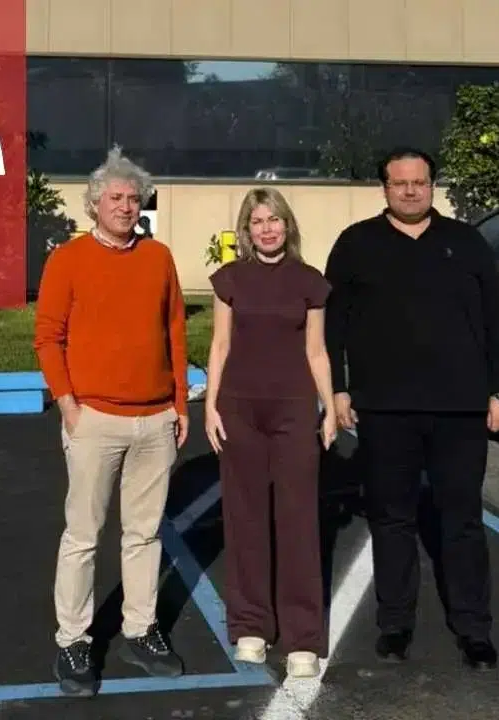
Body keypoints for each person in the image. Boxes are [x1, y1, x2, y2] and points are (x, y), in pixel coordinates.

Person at [322, 147, 499, 670]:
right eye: (400, 182)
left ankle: (474, 628)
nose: (410, 191)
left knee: (462, 520)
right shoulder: (356, 243)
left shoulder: (466, 242)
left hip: (460, 409)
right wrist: (338, 390)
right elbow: (332, 324)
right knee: (392, 519)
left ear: (433, 186)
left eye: (420, 182)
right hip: (385, 409)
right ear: (384, 188)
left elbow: (497, 321)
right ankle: (395, 624)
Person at [33, 146, 191, 698]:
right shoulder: (68, 259)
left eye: (133, 198)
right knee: (83, 535)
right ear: (95, 203)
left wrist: (180, 405)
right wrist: (68, 404)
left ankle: (140, 629)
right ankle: (73, 640)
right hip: (94, 418)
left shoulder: (158, 257)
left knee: (144, 534)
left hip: (156, 419)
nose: (126, 206)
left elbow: (175, 331)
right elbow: (48, 337)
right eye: (116, 197)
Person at [204, 187, 338, 679]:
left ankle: (303, 636)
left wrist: (328, 408)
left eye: (274, 219)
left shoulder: (310, 283)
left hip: (294, 412)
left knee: (298, 518)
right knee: (245, 519)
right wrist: (210, 406)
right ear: (246, 229)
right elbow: (220, 345)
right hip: (239, 410)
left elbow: (317, 351)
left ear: (287, 225)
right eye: (258, 221)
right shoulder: (230, 280)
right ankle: (250, 627)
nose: (267, 229)